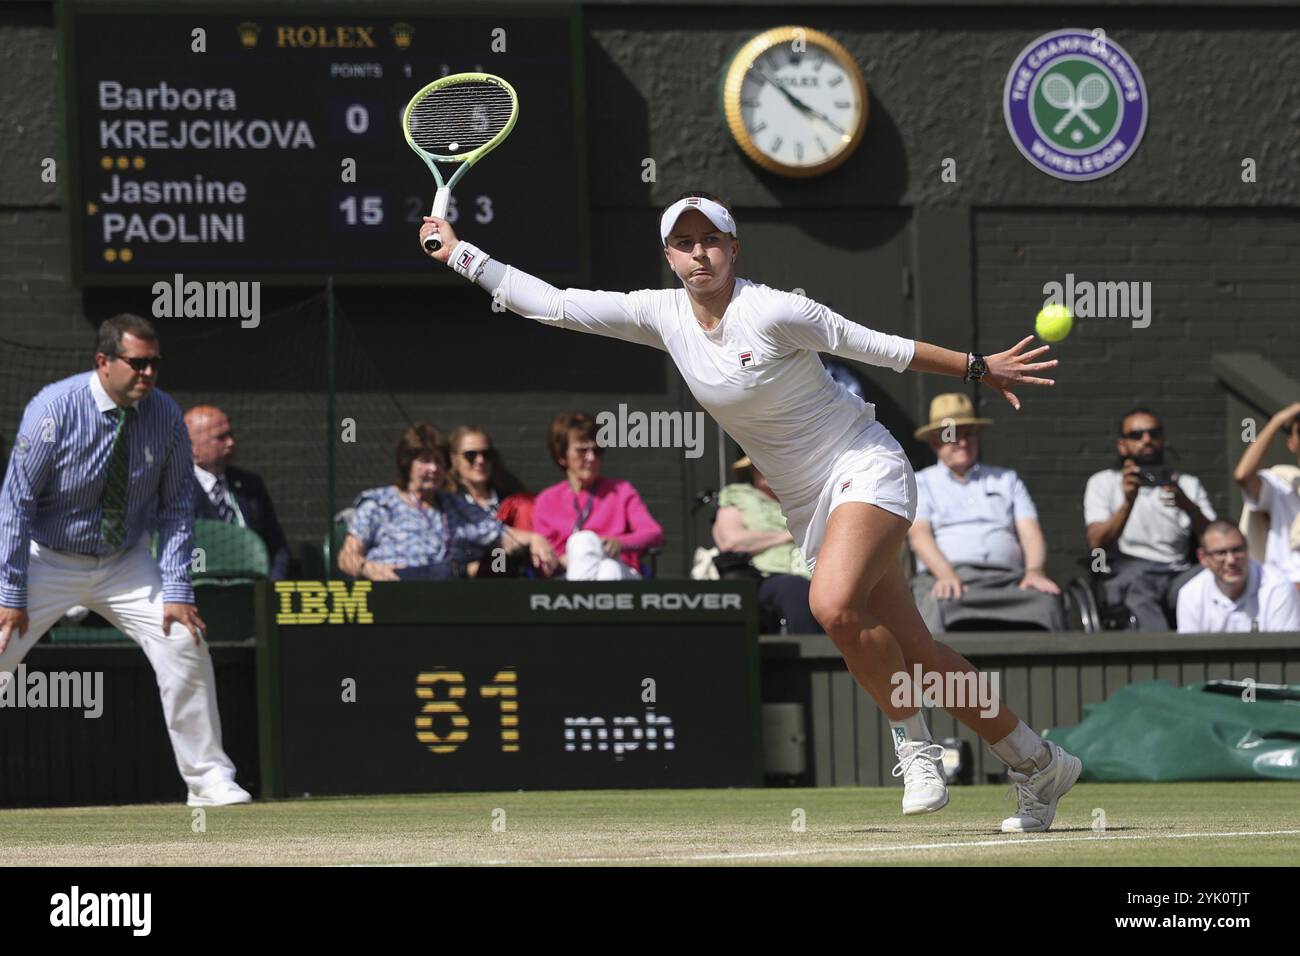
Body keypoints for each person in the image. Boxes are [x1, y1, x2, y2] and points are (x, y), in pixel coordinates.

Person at [419, 190, 1082, 832]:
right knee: (918, 649)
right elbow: (557, 305)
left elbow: (877, 345)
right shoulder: (661, 315)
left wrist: (978, 367)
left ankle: (916, 747)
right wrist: (460, 255)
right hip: (804, 500)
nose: (699, 252)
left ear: (734, 248)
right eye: (684, 243)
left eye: (711, 239)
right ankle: (1037, 761)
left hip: (864, 465)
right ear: (670, 259)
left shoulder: (775, 311)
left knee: (831, 604)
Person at [0, 314, 250, 807]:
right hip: (46, 558)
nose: (149, 374)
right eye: (137, 363)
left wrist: (177, 589)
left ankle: (207, 781)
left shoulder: (165, 416)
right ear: (104, 361)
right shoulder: (52, 409)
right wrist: (10, 594)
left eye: (155, 363)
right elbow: (16, 504)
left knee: (184, 638)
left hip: (124, 562)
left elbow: (178, 505)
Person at [908, 393, 1066, 632]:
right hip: (949, 578)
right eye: (952, 434)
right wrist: (946, 574)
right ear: (934, 443)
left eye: (968, 434)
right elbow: (919, 537)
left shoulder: (1007, 479)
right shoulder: (921, 483)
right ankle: (933, 672)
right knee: (935, 604)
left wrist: (1034, 571)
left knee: (1047, 602)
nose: (962, 442)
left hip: (1008, 581)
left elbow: (1030, 532)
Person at [336, 423, 557, 581]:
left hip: (444, 591)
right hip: (393, 586)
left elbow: (502, 537)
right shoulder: (377, 502)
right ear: (407, 464)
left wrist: (535, 539)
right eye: (425, 461)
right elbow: (347, 556)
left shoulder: (455, 506)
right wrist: (367, 567)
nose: (433, 469)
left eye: (439, 462)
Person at [1084, 407, 1216, 630]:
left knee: (1218, 575)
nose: (1147, 440)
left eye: (1154, 434)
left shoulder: (1187, 484)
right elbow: (1097, 543)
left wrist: (1188, 506)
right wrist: (1128, 502)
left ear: (1163, 440)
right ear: (1122, 445)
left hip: (1179, 573)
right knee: (1137, 589)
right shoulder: (1103, 483)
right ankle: (1163, 659)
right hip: (1132, 571)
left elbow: (1217, 539)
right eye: (1136, 435)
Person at [532, 412, 665, 581]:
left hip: (621, 571)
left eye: (597, 450)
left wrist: (619, 543)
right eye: (582, 451)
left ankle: (582, 603)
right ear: (561, 456)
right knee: (590, 550)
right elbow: (547, 556)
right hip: (567, 575)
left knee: (607, 564)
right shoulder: (547, 500)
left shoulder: (621, 491)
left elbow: (654, 534)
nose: (591, 457)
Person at [714, 455, 821, 634]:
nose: (766, 468)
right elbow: (731, 541)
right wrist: (788, 536)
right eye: (759, 465)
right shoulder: (738, 496)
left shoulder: (807, 500)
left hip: (817, 572)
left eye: (773, 462)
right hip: (765, 577)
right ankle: (814, 657)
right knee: (794, 588)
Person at [185, 404, 293, 580]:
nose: (230, 443)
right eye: (220, 438)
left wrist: (271, 586)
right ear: (192, 447)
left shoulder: (250, 485)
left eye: (231, 434)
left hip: (255, 589)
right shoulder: (174, 489)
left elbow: (277, 546)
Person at [1176, 522, 1300, 633]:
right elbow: (1192, 655)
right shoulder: (1190, 594)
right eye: (1221, 553)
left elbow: (1284, 653)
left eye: (1237, 550)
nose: (1231, 560)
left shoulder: (1278, 587)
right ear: (1203, 557)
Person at [1232, 401, 1300, 591]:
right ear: (1292, 443)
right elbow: (1243, 475)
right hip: (1284, 591)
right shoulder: (1282, 484)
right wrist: (1278, 420)